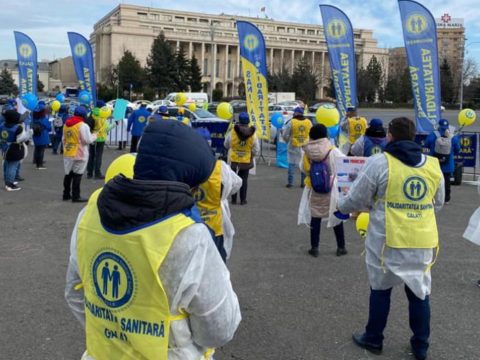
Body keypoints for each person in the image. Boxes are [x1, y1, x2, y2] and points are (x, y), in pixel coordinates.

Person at [65, 120, 241, 360]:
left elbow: (74, 293)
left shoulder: (90, 214)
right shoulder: (189, 235)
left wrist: (114, 332)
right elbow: (218, 328)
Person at [337, 117, 444, 360]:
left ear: (390, 136)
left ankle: (374, 338)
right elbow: (437, 203)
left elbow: (357, 197)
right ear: (415, 136)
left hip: (387, 239)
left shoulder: (379, 163)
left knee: (380, 288)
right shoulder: (433, 165)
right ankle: (421, 345)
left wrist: (342, 206)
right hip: (421, 239)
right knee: (419, 292)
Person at [298, 124, 347, 257]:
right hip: (331, 188)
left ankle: (314, 247)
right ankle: (341, 247)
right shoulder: (332, 151)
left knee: (315, 216)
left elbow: (302, 168)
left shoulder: (306, 151)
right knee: (336, 215)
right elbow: (343, 165)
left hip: (313, 187)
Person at [193, 159, 242, 262]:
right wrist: (223, 197)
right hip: (214, 223)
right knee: (216, 261)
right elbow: (237, 183)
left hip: (188, 223)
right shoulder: (219, 166)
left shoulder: (179, 164)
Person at [62, 106, 97, 202]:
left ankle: (66, 194)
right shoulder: (83, 125)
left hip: (68, 150)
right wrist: (94, 136)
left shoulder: (66, 124)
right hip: (79, 152)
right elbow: (87, 140)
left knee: (68, 173)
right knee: (78, 174)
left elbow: (63, 139)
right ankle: (76, 196)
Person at [224, 112, 259, 205]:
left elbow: (226, 144)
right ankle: (243, 200)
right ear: (248, 121)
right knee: (244, 180)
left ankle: (234, 199)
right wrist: (250, 155)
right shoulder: (253, 134)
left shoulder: (232, 132)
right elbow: (256, 149)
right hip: (246, 161)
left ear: (239, 121)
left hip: (233, 160)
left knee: (233, 179)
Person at [424, 119, 460, 204]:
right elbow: (458, 149)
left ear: (439, 126)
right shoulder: (453, 137)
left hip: (434, 162)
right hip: (448, 163)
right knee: (447, 182)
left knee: (433, 181)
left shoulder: (433, 135)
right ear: (448, 127)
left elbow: (426, 144)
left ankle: (432, 198)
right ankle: (446, 199)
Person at [282, 106, 312, 188]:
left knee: (292, 164)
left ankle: (290, 183)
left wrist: (287, 140)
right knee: (303, 164)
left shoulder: (291, 122)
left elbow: (285, 134)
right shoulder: (308, 122)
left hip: (293, 145)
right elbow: (311, 133)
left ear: (296, 113)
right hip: (305, 146)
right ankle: (303, 183)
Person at [1, 110, 30, 191]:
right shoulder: (18, 128)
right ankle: (10, 184)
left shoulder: (2, 125)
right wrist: (29, 134)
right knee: (12, 166)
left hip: (4, 146)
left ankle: (8, 181)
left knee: (6, 164)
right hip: (15, 148)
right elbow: (22, 139)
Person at [87, 101, 117, 180]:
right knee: (98, 156)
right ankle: (97, 173)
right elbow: (106, 129)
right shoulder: (102, 117)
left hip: (92, 137)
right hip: (100, 138)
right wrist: (114, 124)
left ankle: (89, 173)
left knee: (91, 155)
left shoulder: (91, 114)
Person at [31, 102, 52, 170]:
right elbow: (49, 128)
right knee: (41, 151)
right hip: (43, 136)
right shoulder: (44, 119)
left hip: (35, 135)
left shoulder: (34, 119)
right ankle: (40, 165)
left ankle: (37, 163)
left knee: (37, 150)